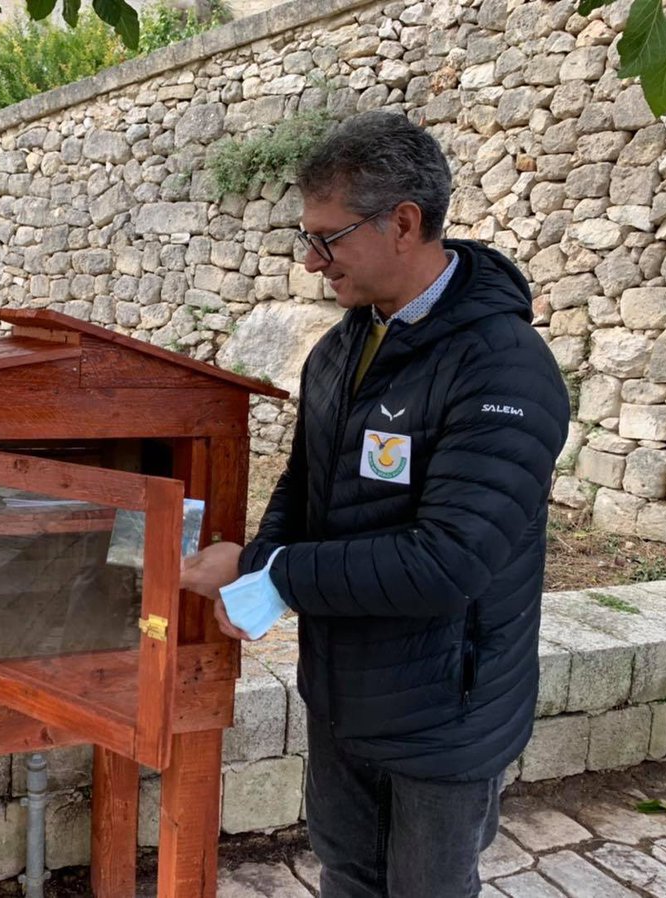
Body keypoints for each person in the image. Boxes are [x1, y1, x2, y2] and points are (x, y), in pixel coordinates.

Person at [180, 111, 570, 898]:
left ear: (403, 223)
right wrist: (257, 585)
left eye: (329, 238)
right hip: (342, 697)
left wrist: (270, 569)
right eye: (307, 237)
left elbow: (447, 562)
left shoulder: (503, 366)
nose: (311, 260)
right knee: (348, 877)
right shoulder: (338, 350)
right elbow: (305, 485)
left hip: (446, 715)